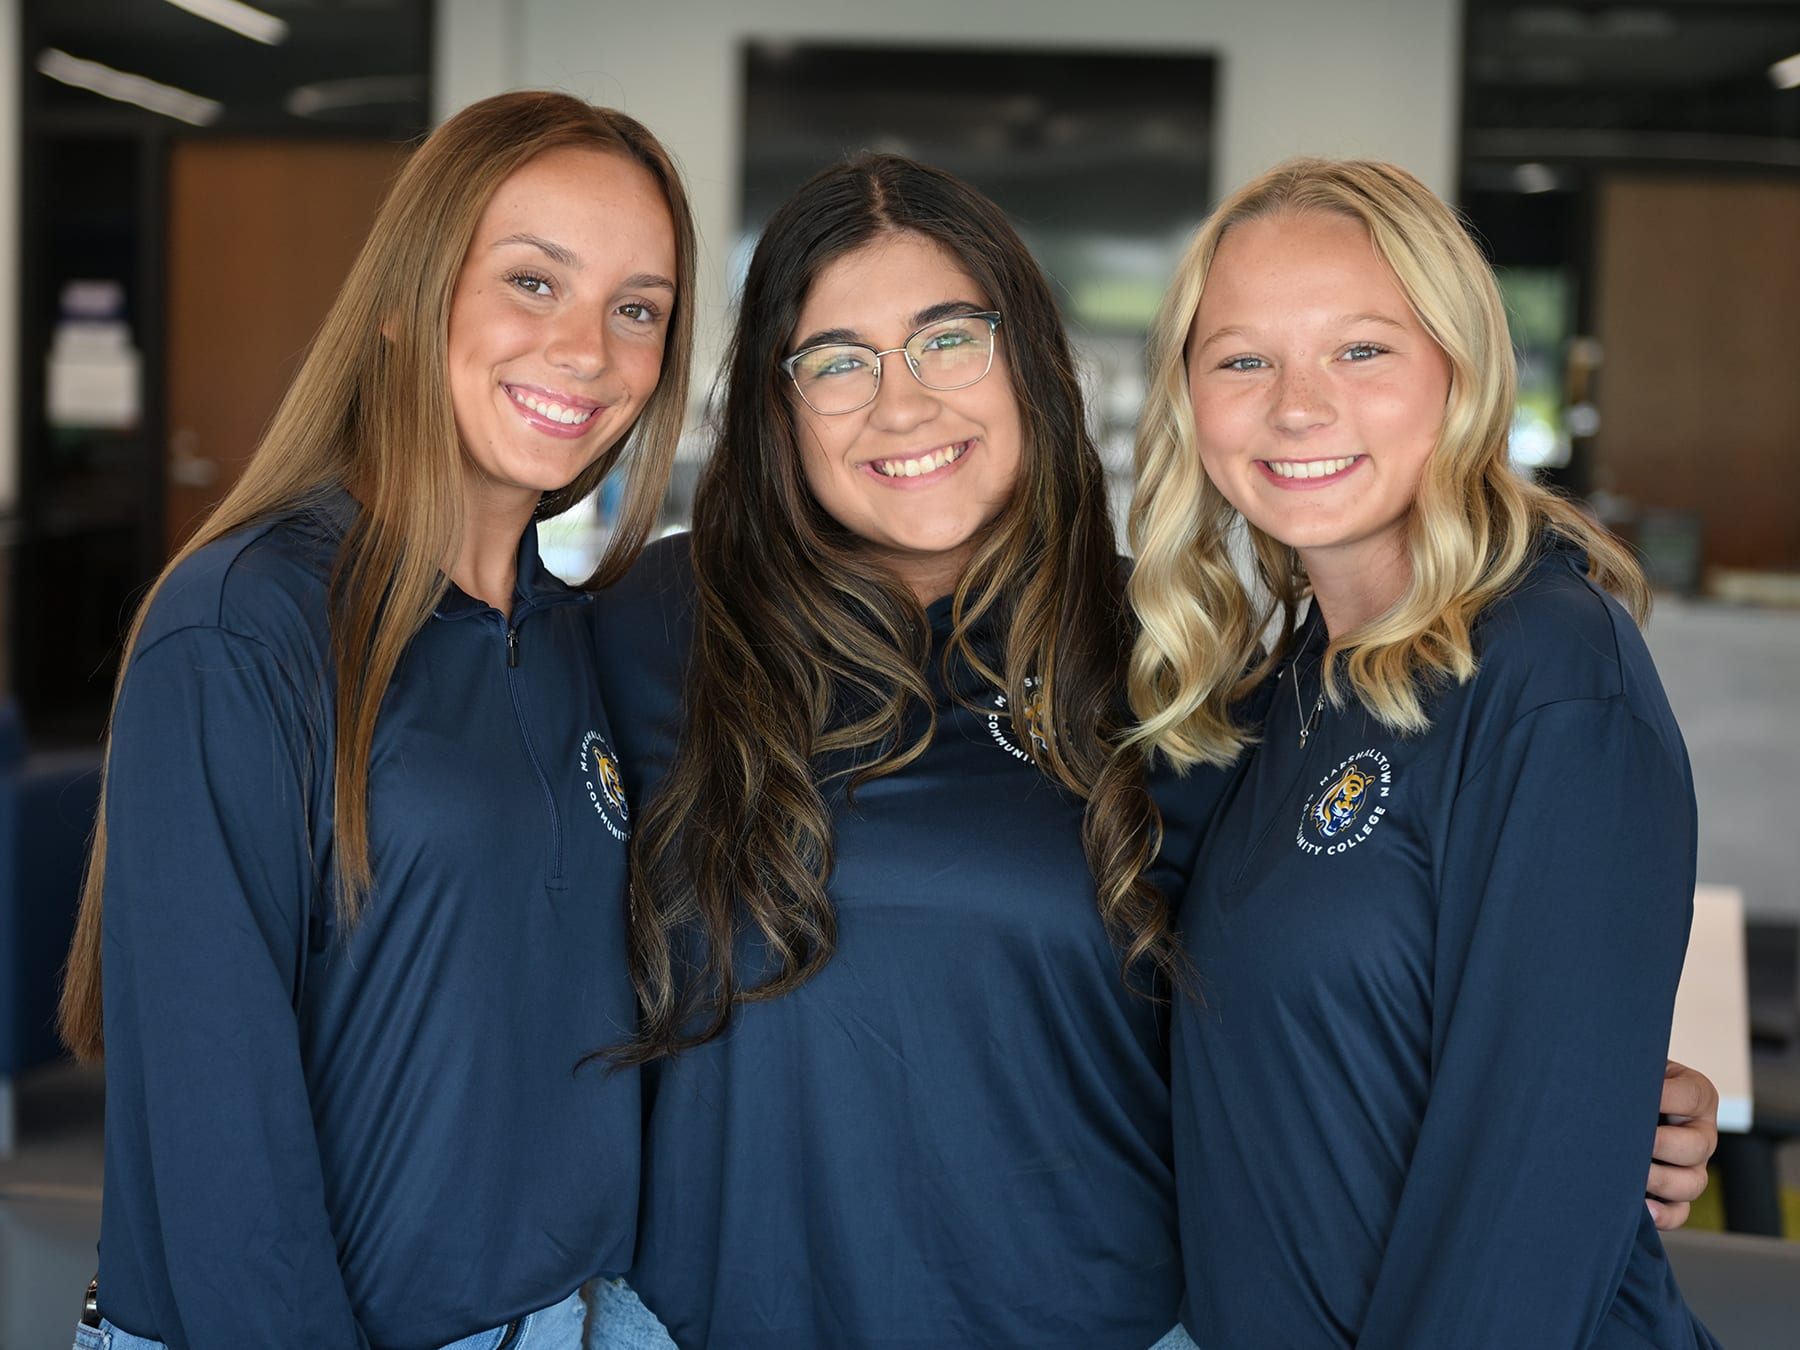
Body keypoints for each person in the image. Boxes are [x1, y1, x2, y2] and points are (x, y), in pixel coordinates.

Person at [585, 153, 1717, 1350]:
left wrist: (1595, 1099)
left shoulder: (1176, 668)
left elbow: (1419, 1035)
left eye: (949, 339)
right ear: (775, 402)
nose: (901, 403)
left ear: (1032, 363)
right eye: (838, 361)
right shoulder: (645, 631)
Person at [56, 89, 695, 1350]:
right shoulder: (248, 622)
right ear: (406, 302)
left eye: (639, 310)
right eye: (533, 282)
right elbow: (212, 1128)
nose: (589, 351)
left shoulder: (577, 643)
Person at [1128, 157, 1718, 1347]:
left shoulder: (1550, 672)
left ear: (1461, 368)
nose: (1298, 406)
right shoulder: (1284, 686)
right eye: (1243, 359)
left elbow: (1527, 1204)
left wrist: (1605, 1099)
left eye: (1361, 350)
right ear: (1190, 400)